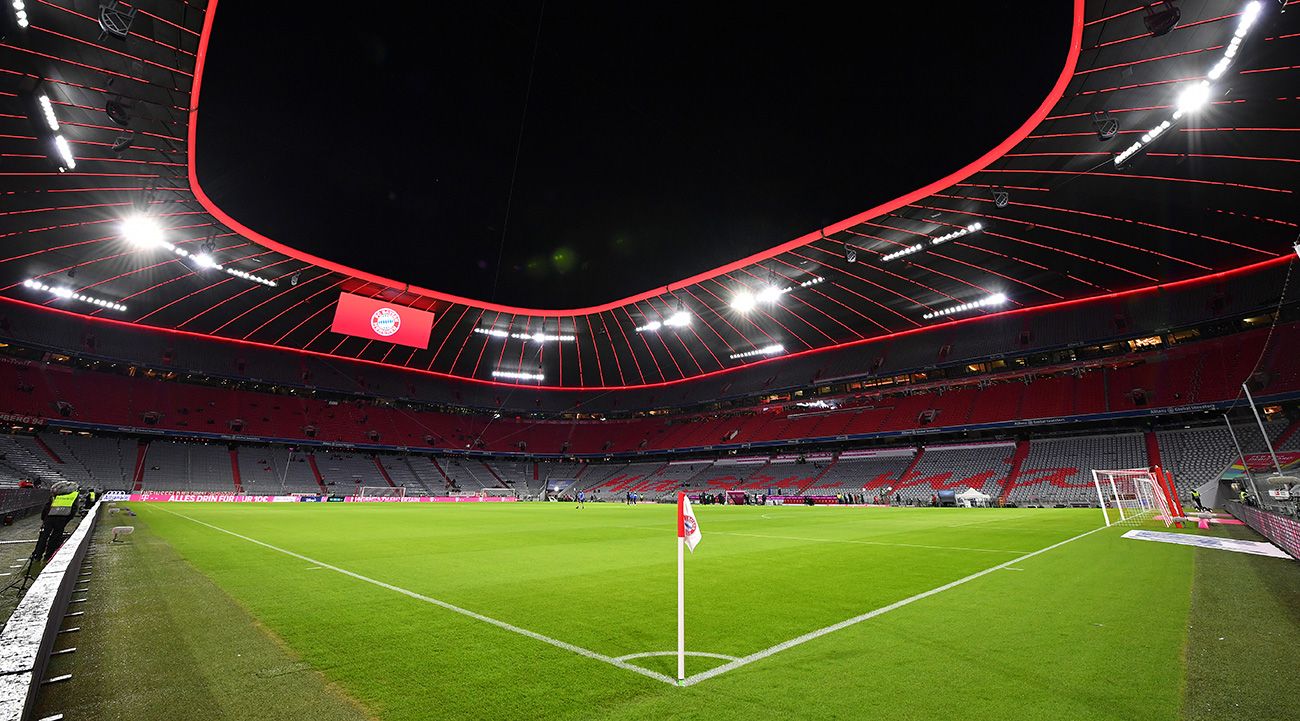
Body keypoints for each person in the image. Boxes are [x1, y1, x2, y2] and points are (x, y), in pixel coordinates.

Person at [35, 481, 80, 563]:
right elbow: (74, 508)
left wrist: (43, 518)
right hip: (63, 518)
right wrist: (68, 519)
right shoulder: (74, 494)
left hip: (50, 517)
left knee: (43, 537)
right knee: (55, 537)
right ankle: (48, 555)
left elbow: (47, 506)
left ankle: (37, 555)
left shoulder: (56, 493)